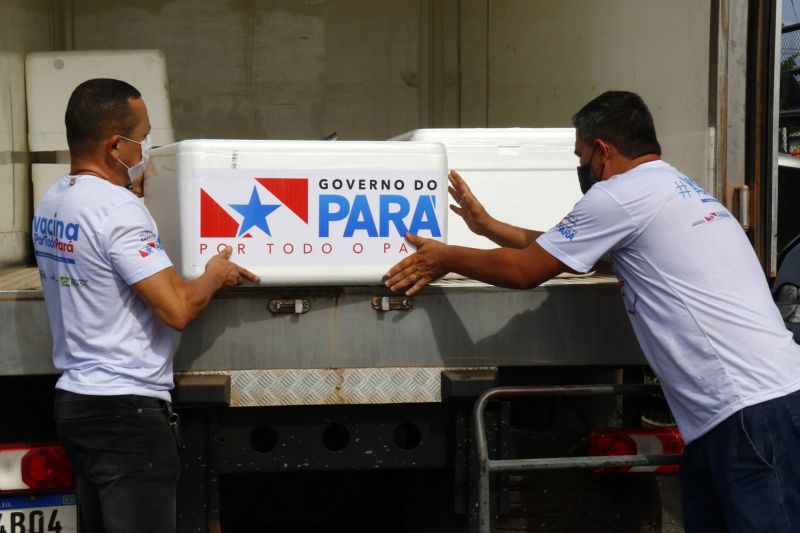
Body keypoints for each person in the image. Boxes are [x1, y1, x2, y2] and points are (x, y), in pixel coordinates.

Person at [385, 91, 800, 532]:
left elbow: (526, 272)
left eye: (581, 156)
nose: (581, 168)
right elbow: (565, 251)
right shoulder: (674, 188)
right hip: (748, 408)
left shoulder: (620, 196)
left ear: (602, 150)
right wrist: (489, 227)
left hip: (748, 415)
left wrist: (445, 257)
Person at [32, 78, 258, 533]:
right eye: (143, 137)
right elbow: (175, 309)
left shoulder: (56, 199)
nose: (145, 150)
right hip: (125, 415)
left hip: (77, 402)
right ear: (116, 145)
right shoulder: (116, 209)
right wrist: (216, 274)